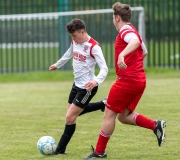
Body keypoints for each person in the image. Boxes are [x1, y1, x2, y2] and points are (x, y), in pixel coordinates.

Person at [83, 2, 166, 159]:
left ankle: (99, 152)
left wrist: (122, 55)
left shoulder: (126, 30)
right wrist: (132, 62)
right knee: (123, 116)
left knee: (108, 114)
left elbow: (135, 42)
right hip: (139, 80)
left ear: (118, 18)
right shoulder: (133, 30)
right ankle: (155, 125)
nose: (113, 21)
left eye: (113, 18)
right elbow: (144, 51)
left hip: (127, 81)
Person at [49, 18, 108, 154]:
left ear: (82, 31)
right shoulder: (75, 41)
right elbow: (68, 54)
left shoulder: (94, 47)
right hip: (76, 85)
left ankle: (60, 150)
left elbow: (104, 68)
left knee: (70, 117)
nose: (73, 39)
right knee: (73, 113)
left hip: (87, 88)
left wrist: (95, 81)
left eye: (75, 35)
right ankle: (102, 104)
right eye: (71, 36)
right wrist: (57, 65)